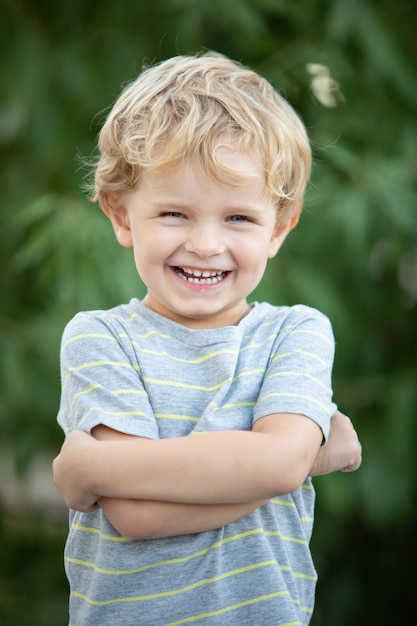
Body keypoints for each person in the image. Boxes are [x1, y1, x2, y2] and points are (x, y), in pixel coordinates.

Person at [53, 51, 362, 626]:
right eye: (174, 213)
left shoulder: (295, 333)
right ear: (122, 216)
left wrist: (94, 469)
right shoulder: (100, 338)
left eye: (238, 218)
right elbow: (137, 513)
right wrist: (302, 458)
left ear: (281, 225)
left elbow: (279, 461)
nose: (204, 244)